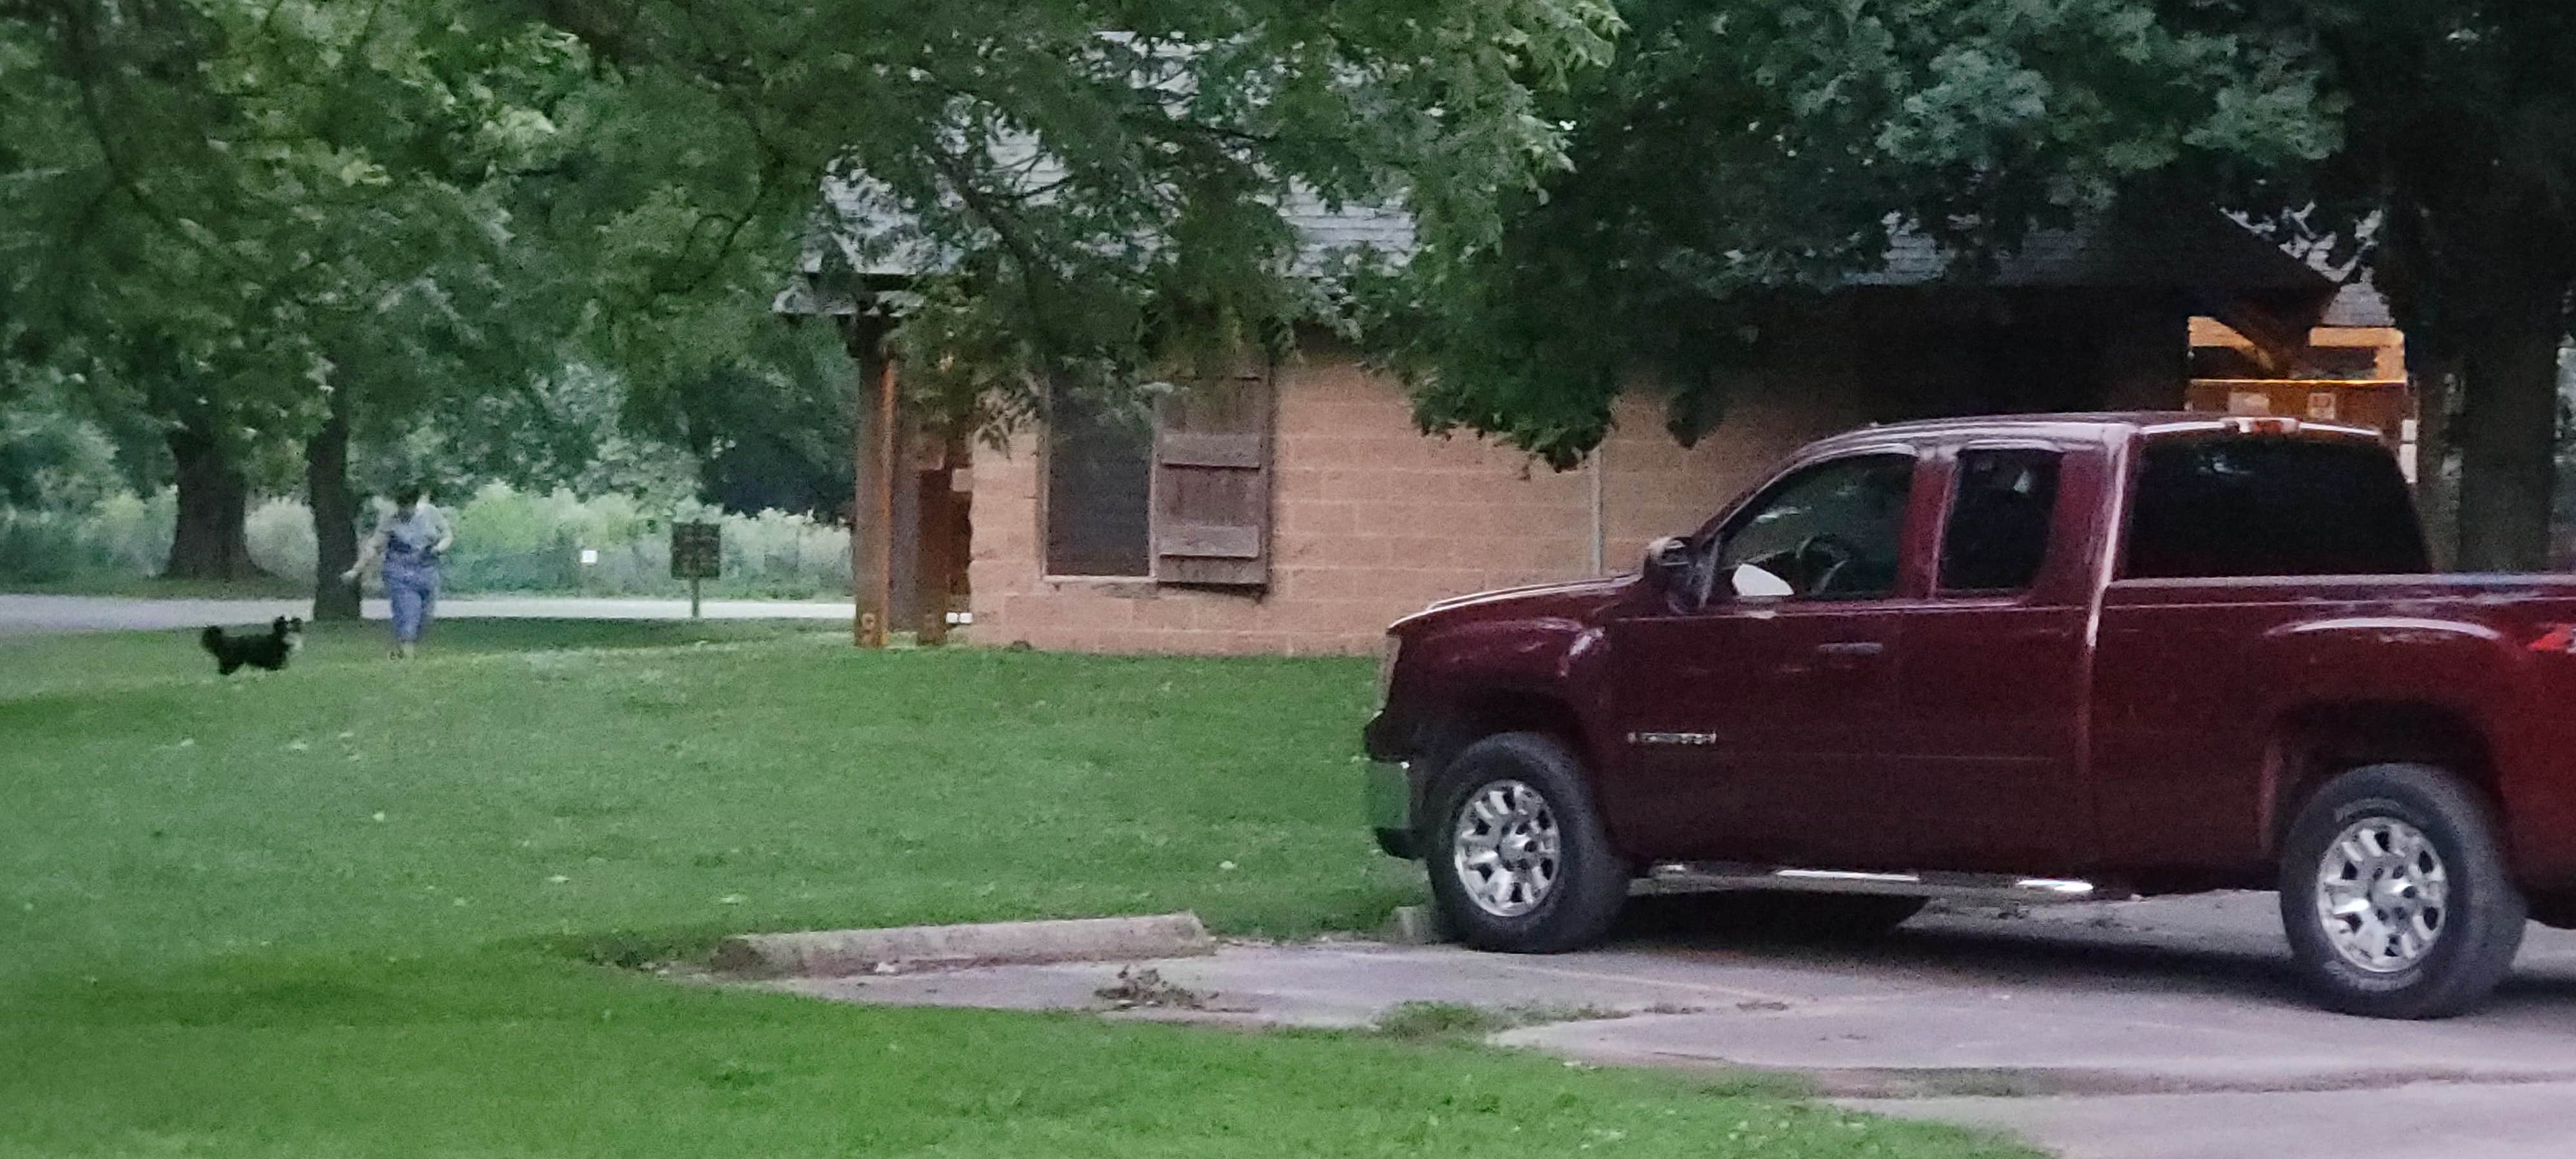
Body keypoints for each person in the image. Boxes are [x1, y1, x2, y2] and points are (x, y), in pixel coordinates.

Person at [343, 484, 453, 659]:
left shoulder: (431, 514)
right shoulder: (391, 521)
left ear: (415, 503)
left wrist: (439, 548)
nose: (403, 510)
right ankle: (407, 656)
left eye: (407, 506)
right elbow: (373, 545)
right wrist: (356, 571)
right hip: (399, 573)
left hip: (427, 572)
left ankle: (402, 651)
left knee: (425, 617)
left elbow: (447, 535)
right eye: (400, 506)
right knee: (408, 612)